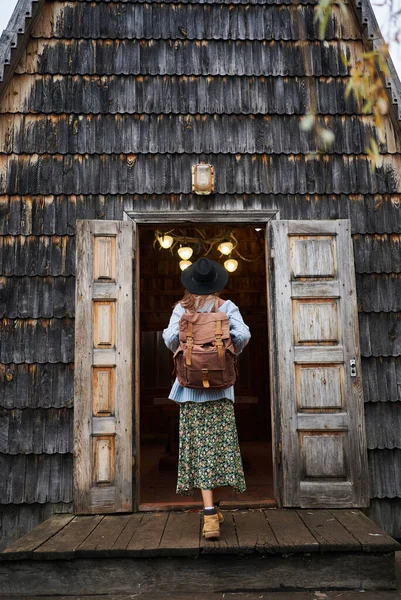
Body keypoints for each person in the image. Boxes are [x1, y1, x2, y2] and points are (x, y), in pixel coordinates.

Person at [163, 256, 251, 539]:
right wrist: (226, 351)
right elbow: (243, 335)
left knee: (199, 450)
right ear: (216, 283)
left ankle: (211, 513)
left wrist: (190, 346)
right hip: (220, 388)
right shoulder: (225, 307)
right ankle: (212, 511)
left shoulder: (181, 309)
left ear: (191, 284)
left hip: (190, 391)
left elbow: (169, 340)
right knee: (220, 449)